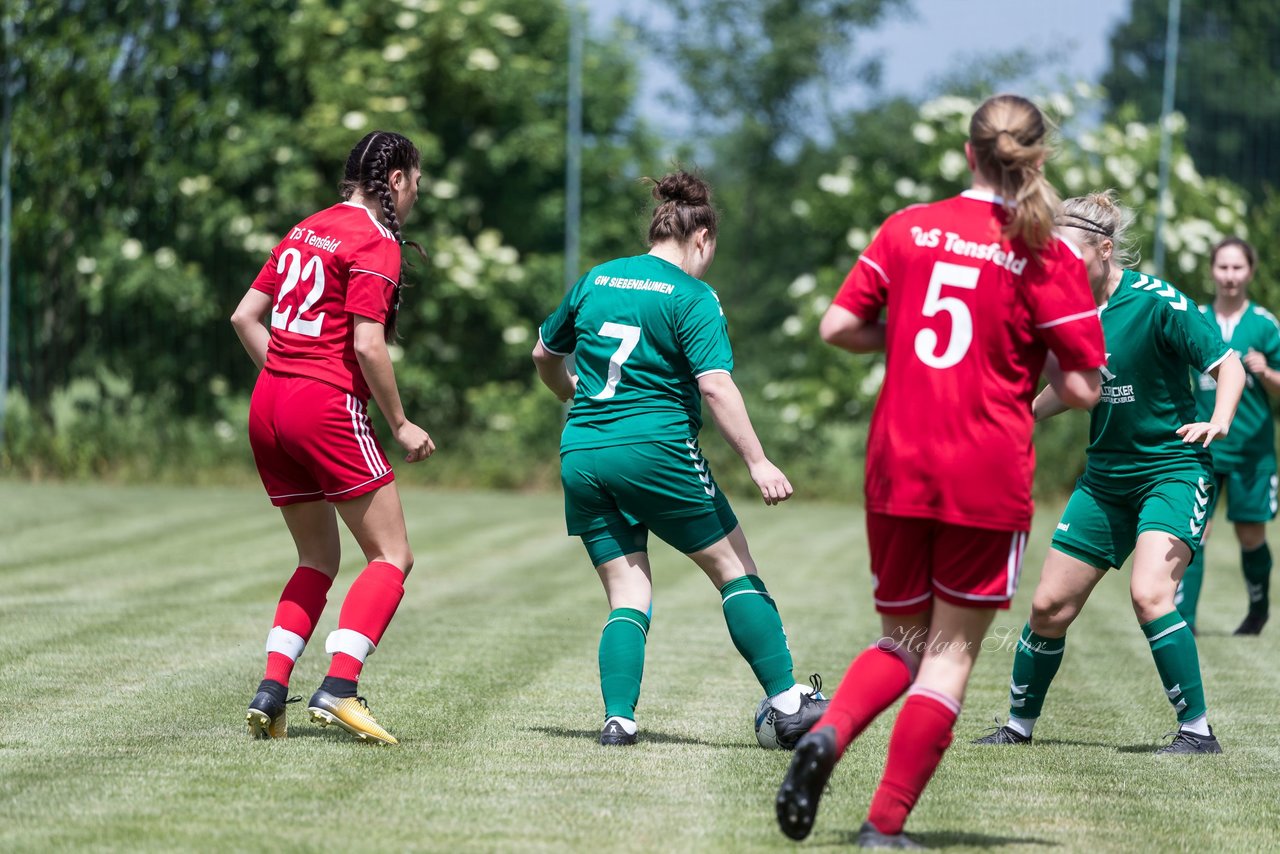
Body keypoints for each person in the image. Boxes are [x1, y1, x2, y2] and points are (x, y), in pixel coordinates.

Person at [774, 94, 1106, 848]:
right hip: (984, 468)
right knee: (950, 653)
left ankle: (828, 736)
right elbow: (1084, 387)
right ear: (1037, 159)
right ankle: (883, 826)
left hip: (898, 458)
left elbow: (837, 326)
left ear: (967, 154)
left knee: (900, 638)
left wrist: (914, 326)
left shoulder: (908, 227)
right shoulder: (1045, 253)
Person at [531, 171, 827, 748]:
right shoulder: (693, 296)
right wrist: (759, 462)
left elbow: (544, 353)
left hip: (583, 453)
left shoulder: (596, 279)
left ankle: (619, 720)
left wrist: (571, 392)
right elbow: (715, 385)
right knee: (735, 570)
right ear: (703, 237)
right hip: (657, 452)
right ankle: (791, 705)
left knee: (627, 593)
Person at [974, 191, 1245, 756]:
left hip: (1172, 470)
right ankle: (1018, 727)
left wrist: (1218, 420)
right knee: (1048, 607)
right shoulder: (1065, 310)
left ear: (1103, 249)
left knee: (1150, 594)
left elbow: (1228, 365)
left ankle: (1197, 732)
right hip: (1105, 481)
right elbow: (1076, 388)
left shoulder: (1157, 303)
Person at [230, 131, 434, 745]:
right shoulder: (376, 240)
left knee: (317, 559)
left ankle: (272, 690)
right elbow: (368, 344)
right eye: (417, 181)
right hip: (323, 406)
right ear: (395, 179)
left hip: (267, 404)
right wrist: (400, 424)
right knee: (392, 556)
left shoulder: (304, 228)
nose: (418, 193)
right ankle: (339, 687)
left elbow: (244, 316)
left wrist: (286, 378)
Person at [1177, 238, 1280, 635]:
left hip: (1252, 452)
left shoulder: (1265, 325)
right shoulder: (1195, 317)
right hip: (1203, 447)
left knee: (1250, 534)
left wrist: (1267, 372)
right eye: (1223, 267)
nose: (1230, 276)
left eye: (1238, 268)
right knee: (1195, 530)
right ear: (1212, 270)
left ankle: (1258, 612)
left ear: (1250, 272)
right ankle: (1184, 622)